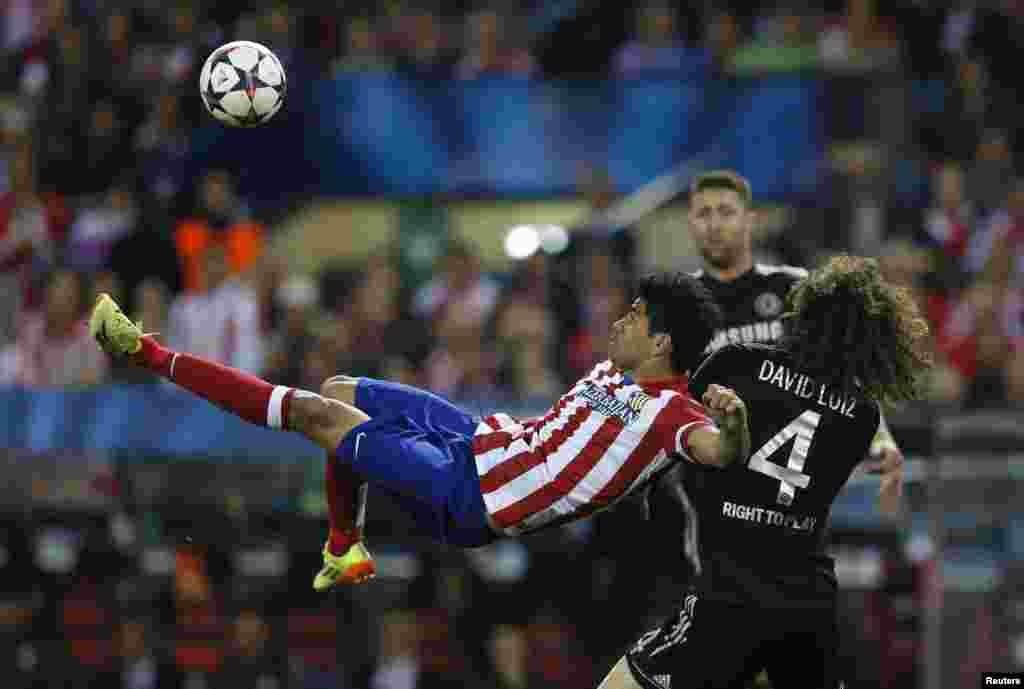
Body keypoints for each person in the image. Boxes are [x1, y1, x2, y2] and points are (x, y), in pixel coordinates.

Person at [89, 272, 751, 591]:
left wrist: (736, 425)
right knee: (340, 389)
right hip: (483, 441)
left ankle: (148, 354)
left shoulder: (676, 415)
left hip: (475, 500)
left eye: (635, 315)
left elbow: (717, 449)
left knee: (318, 417)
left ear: (662, 339)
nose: (619, 319)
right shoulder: (616, 368)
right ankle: (343, 545)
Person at [597, 255, 931, 689]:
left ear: (803, 314)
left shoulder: (736, 364)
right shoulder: (861, 418)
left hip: (730, 596)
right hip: (808, 606)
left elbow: (664, 424)